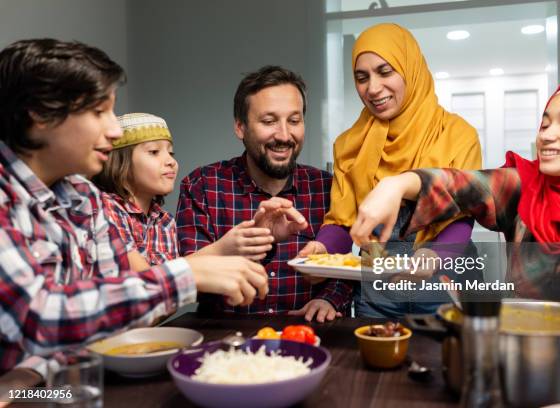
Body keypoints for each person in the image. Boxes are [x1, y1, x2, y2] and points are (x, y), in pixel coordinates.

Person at [0, 38, 268, 376]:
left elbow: (113, 316)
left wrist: (34, 373)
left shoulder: (84, 196)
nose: (114, 130)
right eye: (99, 112)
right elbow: (40, 318)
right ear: (39, 114)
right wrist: (185, 275)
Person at [350, 80, 560, 311]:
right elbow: (460, 185)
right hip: (523, 347)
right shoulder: (524, 186)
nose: (547, 135)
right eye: (544, 124)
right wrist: (396, 185)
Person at [300, 23, 482, 317]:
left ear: (409, 68)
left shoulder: (458, 135)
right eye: (362, 78)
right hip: (377, 295)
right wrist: (322, 249)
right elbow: (345, 222)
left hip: (446, 289)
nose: (372, 88)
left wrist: (434, 256)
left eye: (385, 72)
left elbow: (463, 217)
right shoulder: (349, 144)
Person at [176, 65, 353, 322]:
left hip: (311, 335)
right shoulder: (202, 185)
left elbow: (349, 265)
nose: (284, 135)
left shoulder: (328, 188)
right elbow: (187, 282)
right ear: (240, 127)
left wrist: (329, 298)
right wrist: (246, 247)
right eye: (269, 121)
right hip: (227, 342)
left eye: (294, 121)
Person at [93, 112, 179, 266]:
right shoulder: (106, 209)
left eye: (171, 152)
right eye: (154, 152)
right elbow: (144, 278)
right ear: (120, 162)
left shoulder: (166, 222)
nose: (171, 161)